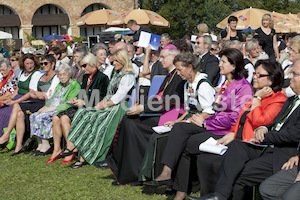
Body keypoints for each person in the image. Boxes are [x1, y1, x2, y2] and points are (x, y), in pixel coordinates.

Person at [144, 48, 253, 199]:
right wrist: (199, 120)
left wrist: (205, 123)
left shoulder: (243, 87)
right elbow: (216, 110)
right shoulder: (226, 84)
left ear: (233, 66)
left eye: (223, 62)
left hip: (225, 132)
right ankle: (168, 173)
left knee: (186, 142)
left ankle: (179, 190)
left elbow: (235, 119)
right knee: (179, 128)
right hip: (214, 125)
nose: (219, 65)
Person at [195, 59, 300, 200]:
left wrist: (257, 100)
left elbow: (293, 134)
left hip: (281, 152)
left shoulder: (279, 100)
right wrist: (263, 129)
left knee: (239, 173)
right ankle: (218, 196)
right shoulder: (292, 100)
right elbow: (272, 124)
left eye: (295, 74)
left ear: (271, 79)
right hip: (261, 143)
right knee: (236, 148)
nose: (290, 77)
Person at [106, 45, 185, 185]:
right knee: (128, 120)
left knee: (131, 124)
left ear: (173, 57)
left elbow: (171, 101)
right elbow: (158, 98)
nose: (160, 60)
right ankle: (126, 168)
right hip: (161, 112)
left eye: (162, 57)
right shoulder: (170, 76)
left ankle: (135, 172)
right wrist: (142, 106)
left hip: (171, 116)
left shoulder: (178, 76)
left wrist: (143, 108)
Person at [61, 49, 135, 169]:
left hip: (119, 107)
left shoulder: (128, 76)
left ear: (123, 61)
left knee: (93, 117)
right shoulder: (116, 74)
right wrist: (99, 104)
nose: (114, 63)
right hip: (110, 104)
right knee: (82, 113)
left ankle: (82, 154)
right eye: (114, 60)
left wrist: (102, 105)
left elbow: (118, 97)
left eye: (116, 60)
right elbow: (108, 94)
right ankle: (74, 147)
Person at [47, 53, 109, 164]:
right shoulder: (86, 77)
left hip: (92, 108)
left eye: (84, 66)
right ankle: (62, 148)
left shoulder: (102, 78)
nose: (83, 69)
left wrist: (85, 102)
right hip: (81, 106)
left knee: (64, 118)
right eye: (81, 67)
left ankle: (70, 148)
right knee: (56, 117)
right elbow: (82, 93)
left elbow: (101, 97)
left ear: (92, 64)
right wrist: (75, 99)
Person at [7, 54, 60, 156]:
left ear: (53, 64)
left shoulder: (56, 77)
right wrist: (36, 94)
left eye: (45, 63)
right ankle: (19, 145)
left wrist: (37, 94)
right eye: (42, 64)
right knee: (19, 114)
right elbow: (32, 92)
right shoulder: (40, 75)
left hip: (47, 103)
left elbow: (49, 95)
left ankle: (7, 136)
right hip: (36, 101)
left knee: (17, 106)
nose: (43, 66)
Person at [29, 63, 80, 157]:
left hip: (62, 109)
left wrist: (52, 108)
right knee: (33, 116)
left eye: (64, 74)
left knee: (41, 117)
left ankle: (46, 145)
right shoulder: (60, 85)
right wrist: (45, 107)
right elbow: (53, 98)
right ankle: (40, 144)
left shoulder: (74, 85)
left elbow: (69, 103)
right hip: (52, 107)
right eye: (60, 75)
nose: (62, 77)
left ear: (69, 74)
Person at [0, 54, 42, 144]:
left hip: (27, 99)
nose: (29, 66)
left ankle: (6, 137)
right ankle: (4, 136)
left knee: (6, 113)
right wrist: (11, 98)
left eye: (31, 63)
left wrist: (15, 101)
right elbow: (18, 89)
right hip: (17, 97)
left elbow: (30, 93)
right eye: (27, 63)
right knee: (2, 110)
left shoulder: (36, 74)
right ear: (23, 64)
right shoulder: (22, 73)